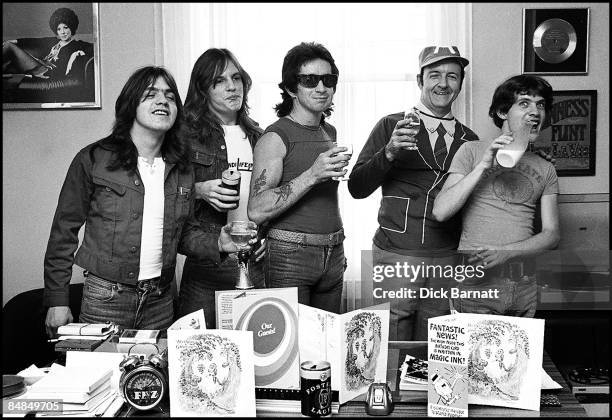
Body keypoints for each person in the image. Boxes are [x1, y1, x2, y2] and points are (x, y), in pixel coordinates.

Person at [43, 66, 243, 336]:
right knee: (104, 376)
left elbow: (183, 234)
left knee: (155, 378)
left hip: (160, 303)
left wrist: (219, 242)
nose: (163, 101)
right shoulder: (93, 159)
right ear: (130, 105)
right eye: (151, 94)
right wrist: (57, 299)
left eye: (170, 97)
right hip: (105, 299)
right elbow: (63, 231)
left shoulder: (182, 169)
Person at [348, 46, 478, 340]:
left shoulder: (470, 140)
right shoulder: (391, 125)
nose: (443, 83)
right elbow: (357, 187)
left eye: (452, 76)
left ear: (460, 83)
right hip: (396, 252)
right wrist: (389, 152)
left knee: (438, 341)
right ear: (420, 81)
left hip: (447, 255)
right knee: (390, 338)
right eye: (434, 75)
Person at [432, 74, 560, 317]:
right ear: (502, 112)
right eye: (524, 103)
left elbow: (552, 235)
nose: (535, 111)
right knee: (473, 356)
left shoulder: (546, 168)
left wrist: (506, 252)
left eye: (540, 104)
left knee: (520, 354)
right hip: (475, 283)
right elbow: (440, 211)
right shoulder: (471, 151)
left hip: (522, 284)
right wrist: (483, 164)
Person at [248, 42, 349, 313]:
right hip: (289, 256)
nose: (321, 88)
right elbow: (256, 209)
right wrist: (313, 174)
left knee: (327, 348)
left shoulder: (330, 132)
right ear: (292, 88)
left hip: (333, 252)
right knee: (291, 350)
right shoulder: (274, 137)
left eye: (328, 80)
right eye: (309, 80)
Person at [177, 48, 266, 329]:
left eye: (236, 78)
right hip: (207, 264)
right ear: (203, 90)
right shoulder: (185, 136)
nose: (231, 86)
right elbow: (162, 196)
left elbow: (272, 200)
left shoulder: (260, 137)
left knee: (255, 356)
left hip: (254, 261)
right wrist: (199, 190)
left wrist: (270, 239)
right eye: (219, 81)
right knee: (194, 354)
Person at [3, 7, 91, 80]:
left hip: (47, 71)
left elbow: (97, 48)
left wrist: (74, 55)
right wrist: (16, 41)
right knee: (9, 66)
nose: (62, 32)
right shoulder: (54, 41)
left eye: (65, 27)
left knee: (9, 46)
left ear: (72, 27)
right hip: (39, 64)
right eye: (59, 29)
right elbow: (34, 41)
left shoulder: (77, 44)